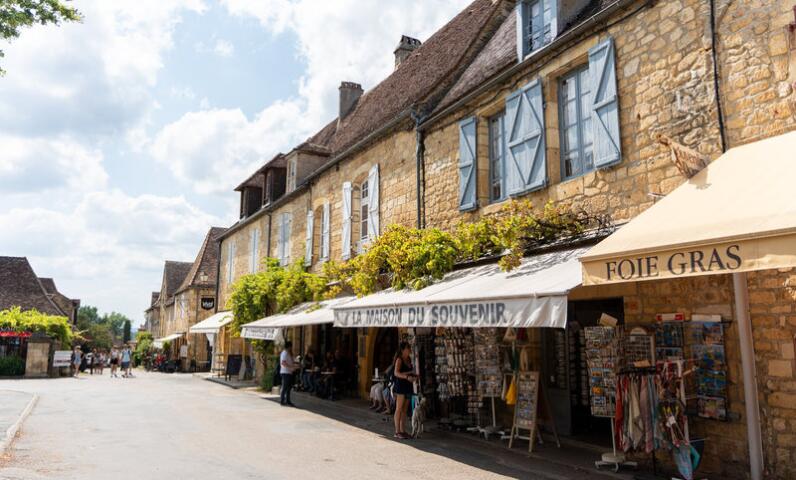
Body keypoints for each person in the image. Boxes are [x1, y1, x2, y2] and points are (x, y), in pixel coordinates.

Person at [392, 342, 417, 439]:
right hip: (401, 386)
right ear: (403, 349)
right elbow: (396, 373)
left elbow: (408, 371)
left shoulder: (408, 359)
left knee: (405, 410)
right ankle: (397, 431)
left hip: (408, 385)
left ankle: (402, 430)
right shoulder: (399, 359)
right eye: (408, 348)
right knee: (398, 408)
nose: (409, 349)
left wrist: (413, 375)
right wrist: (407, 377)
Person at [279, 341, 298, 406]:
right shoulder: (284, 353)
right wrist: (291, 367)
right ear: (289, 346)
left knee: (289, 387)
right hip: (285, 372)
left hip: (289, 372)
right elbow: (283, 362)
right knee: (285, 387)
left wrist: (295, 365)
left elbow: (291, 361)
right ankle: (282, 400)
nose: (291, 348)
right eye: (291, 347)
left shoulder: (288, 353)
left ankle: (288, 400)